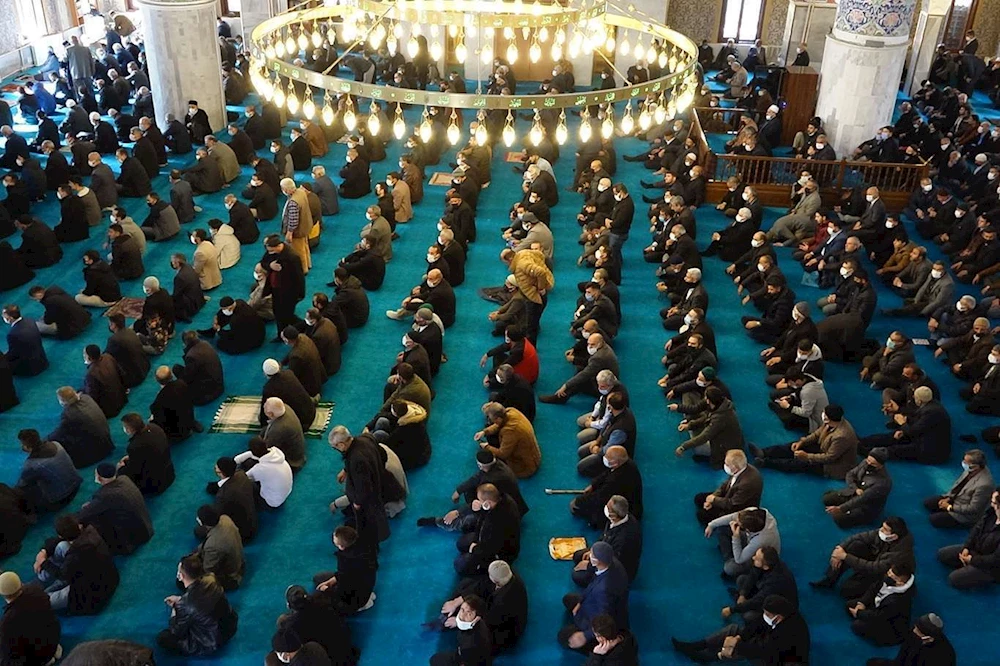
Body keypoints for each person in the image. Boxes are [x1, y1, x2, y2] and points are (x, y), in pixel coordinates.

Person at [672, 595, 810, 664]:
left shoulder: (788, 632)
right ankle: (700, 645)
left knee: (739, 650)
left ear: (778, 617)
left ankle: (710, 657)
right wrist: (740, 637)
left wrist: (736, 644)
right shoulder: (780, 612)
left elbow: (763, 650)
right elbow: (758, 624)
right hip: (768, 643)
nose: (764, 616)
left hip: (783, 659)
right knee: (734, 630)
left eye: (767, 614)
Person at [35, 514, 120, 614]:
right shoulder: (90, 531)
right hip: (109, 578)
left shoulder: (76, 554)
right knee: (62, 545)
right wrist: (44, 551)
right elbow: (56, 541)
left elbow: (62, 575)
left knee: (41, 601)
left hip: (93, 595)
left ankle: (43, 585)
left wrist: (43, 562)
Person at [811, 517, 915, 598]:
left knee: (846, 591)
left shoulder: (899, 554)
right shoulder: (887, 535)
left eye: (885, 529)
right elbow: (858, 537)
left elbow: (874, 568)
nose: (880, 530)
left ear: (894, 536)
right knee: (854, 545)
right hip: (876, 559)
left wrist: (845, 556)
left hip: (883, 574)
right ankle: (830, 579)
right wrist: (840, 549)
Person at [157, 554, 238, 656]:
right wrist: (182, 600)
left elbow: (177, 631)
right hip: (230, 628)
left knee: (163, 638)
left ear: (181, 576)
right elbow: (201, 601)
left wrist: (175, 610)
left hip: (210, 642)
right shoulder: (212, 579)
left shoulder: (184, 605)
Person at [558, 541, 630, 652]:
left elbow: (605, 618)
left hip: (594, 620)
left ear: (597, 561)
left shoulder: (604, 590)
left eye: (592, 554)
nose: (589, 555)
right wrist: (580, 601)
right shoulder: (611, 562)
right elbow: (592, 584)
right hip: (590, 602)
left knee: (563, 637)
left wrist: (586, 636)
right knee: (568, 599)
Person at [752, 403, 858, 477]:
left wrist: (807, 456)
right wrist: (802, 442)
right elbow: (816, 434)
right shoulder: (831, 422)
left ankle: (766, 463)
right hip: (824, 447)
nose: (822, 414)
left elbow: (829, 458)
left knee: (800, 463)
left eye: (824, 413)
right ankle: (764, 452)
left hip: (833, 466)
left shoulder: (842, 436)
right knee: (794, 446)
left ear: (829, 418)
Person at [329, 425, 390, 546]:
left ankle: (374, 539)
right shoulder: (366, 438)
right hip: (378, 482)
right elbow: (383, 454)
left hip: (368, 498)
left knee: (369, 520)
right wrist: (346, 470)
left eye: (335, 447)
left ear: (341, 445)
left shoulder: (356, 460)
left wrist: (357, 502)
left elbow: (363, 487)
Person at [858, 386, 951, 464]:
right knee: (894, 436)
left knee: (896, 449)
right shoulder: (932, 406)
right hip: (925, 438)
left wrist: (902, 423)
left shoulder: (931, 412)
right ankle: (864, 441)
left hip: (930, 451)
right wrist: (904, 425)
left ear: (919, 400)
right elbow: (918, 423)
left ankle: (869, 452)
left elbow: (913, 432)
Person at [77, 462, 154, 555]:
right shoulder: (124, 478)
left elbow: (84, 514)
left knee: (92, 519)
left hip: (132, 539)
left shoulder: (104, 496)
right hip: (146, 526)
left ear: (99, 478)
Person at [936, 486, 1000, 589]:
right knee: (942, 554)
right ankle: (968, 566)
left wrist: (972, 560)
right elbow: (976, 530)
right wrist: (967, 547)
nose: (991, 504)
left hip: (991, 567)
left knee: (954, 579)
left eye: (993, 503)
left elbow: (995, 559)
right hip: (976, 550)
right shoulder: (991, 513)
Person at [453, 482, 522, 576]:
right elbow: (482, 522)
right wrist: (476, 540)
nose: (478, 502)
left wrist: (475, 549)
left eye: (480, 500)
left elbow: (491, 548)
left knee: (460, 565)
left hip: (501, 553)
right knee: (461, 543)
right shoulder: (500, 500)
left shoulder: (499, 521)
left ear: (487, 503)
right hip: (488, 539)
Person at [572, 495, 642, 586]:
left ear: (614, 515)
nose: (605, 507)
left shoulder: (624, 539)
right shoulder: (617, 518)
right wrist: (592, 551)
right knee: (577, 556)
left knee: (577, 576)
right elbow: (604, 536)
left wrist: (590, 565)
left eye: (608, 507)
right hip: (606, 550)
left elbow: (611, 563)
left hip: (616, 571)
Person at [846, 561, 916, 646]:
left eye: (892, 576)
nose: (888, 575)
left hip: (890, 625)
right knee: (849, 605)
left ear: (900, 583)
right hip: (880, 606)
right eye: (889, 572)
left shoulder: (897, 601)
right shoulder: (888, 579)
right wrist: (862, 603)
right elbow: (873, 589)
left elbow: (879, 616)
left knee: (857, 625)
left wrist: (859, 613)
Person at [571, 446, 643, 529]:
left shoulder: (616, 480)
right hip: (625, 499)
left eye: (608, 458)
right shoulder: (626, 463)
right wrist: (593, 485)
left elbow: (599, 497)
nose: (605, 458)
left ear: (616, 462)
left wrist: (579, 501)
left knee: (580, 508)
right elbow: (606, 474)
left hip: (628, 511)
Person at [313, 525, 379, 614]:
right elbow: (343, 575)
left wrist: (326, 589)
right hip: (365, 586)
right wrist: (330, 581)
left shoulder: (346, 561)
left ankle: (360, 605)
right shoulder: (364, 548)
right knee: (320, 578)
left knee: (319, 594)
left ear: (341, 546)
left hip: (353, 599)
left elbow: (343, 591)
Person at [0, 571, 62, 666]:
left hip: (36, 658)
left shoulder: (8, 622)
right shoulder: (37, 590)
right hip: (53, 641)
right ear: (20, 583)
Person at [675, 386, 744, 468]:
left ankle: (713, 457)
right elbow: (707, 418)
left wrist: (684, 446)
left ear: (709, 400)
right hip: (731, 441)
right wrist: (690, 425)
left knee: (697, 446)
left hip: (726, 447)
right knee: (694, 429)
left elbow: (704, 436)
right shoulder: (724, 406)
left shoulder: (719, 419)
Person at [923, 449, 994, 528]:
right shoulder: (971, 469)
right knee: (928, 503)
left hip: (966, 514)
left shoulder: (984, 485)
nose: (963, 463)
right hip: (957, 498)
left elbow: (973, 508)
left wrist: (949, 507)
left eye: (966, 462)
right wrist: (948, 498)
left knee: (933, 519)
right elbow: (958, 485)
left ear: (975, 466)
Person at [15, 429, 81, 513]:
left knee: (23, 489)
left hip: (61, 499)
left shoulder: (31, 464)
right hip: (77, 485)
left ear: (27, 447)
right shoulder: (56, 444)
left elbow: (22, 484)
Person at [822, 449, 892, 528]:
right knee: (826, 499)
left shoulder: (882, 483)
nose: (868, 464)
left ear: (881, 465)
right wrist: (855, 488)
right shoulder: (865, 462)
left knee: (838, 518)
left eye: (873, 463)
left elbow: (862, 498)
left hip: (865, 506)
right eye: (868, 460)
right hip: (854, 492)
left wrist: (840, 508)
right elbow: (850, 474)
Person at [47, 387, 114, 468]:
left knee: (61, 441)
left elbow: (59, 433)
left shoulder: (69, 415)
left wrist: (46, 439)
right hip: (107, 443)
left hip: (95, 452)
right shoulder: (86, 398)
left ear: (62, 402)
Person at [694, 449, 763, 525]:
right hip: (731, 494)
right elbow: (725, 484)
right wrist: (713, 496)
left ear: (735, 467)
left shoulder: (747, 483)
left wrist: (714, 500)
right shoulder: (741, 468)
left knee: (701, 515)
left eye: (727, 464)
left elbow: (732, 504)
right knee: (699, 498)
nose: (725, 465)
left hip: (738, 507)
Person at [475, 402, 541, 478]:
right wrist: (484, 432)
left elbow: (503, 454)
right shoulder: (511, 411)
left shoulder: (510, 431)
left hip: (526, 467)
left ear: (498, 419)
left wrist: (486, 446)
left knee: (489, 460)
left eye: (492, 420)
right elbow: (498, 425)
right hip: (533, 456)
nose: (491, 421)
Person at [117, 413, 175, 496]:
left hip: (155, 485)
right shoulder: (155, 427)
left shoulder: (135, 446)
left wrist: (121, 468)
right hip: (169, 473)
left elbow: (135, 470)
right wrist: (132, 457)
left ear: (129, 429)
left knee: (121, 474)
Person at [866, 613, 956, 666]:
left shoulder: (943, 656)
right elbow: (902, 655)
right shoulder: (914, 632)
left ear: (929, 638)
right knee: (872, 663)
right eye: (915, 627)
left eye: (918, 631)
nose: (914, 631)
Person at [193, 504, 245, 591]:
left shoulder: (212, 545)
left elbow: (208, 569)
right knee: (198, 532)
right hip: (239, 559)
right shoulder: (225, 519)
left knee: (184, 581)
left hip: (232, 576)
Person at [429, 595, 492, 666]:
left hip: (469, 660)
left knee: (435, 660)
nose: (462, 616)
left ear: (477, 618)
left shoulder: (471, 644)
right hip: (465, 654)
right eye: (462, 610)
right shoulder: (478, 624)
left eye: (469, 614)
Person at [235, 437, 293, 508]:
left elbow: (242, 477)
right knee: (251, 465)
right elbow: (253, 455)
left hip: (272, 502)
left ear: (253, 452)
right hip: (284, 494)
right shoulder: (276, 456)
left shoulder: (261, 469)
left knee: (241, 482)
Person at [171, 330, 225, 405]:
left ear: (185, 343)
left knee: (176, 368)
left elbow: (187, 378)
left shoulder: (191, 356)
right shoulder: (206, 343)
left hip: (206, 395)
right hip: (219, 386)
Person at [150, 366, 202, 442]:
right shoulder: (182, 383)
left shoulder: (161, 398)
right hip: (188, 422)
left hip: (177, 434)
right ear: (171, 375)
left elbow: (155, 411)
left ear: (157, 380)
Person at [81, 344, 127, 417]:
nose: (83, 356)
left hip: (110, 408)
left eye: (84, 354)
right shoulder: (108, 357)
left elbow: (92, 396)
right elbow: (121, 373)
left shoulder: (91, 374)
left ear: (89, 358)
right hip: (122, 397)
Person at [104, 314, 149, 388]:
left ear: (114, 325)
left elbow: (106, 355)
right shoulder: (130, 331)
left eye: (110, 323)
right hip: (145, 366)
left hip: (134, 377)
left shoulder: (114, 340)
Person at [262, 397, 306, 472]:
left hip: (292, 462)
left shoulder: (278, 429)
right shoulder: (285, 408)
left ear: (270, 414)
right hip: (297, 451)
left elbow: (266, 448)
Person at [4, 304, 49, 376]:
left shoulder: (12, 334)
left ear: (10, 318)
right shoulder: (30, 321)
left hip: (30, 368)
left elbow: (13, 354)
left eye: (4, 316)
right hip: (42, 360)